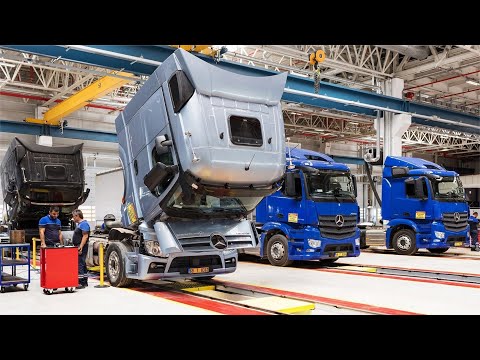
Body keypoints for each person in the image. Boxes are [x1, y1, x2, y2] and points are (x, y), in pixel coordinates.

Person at [71, 209, 90, 289]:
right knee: (82, 263)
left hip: (81, 246)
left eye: (73, 216)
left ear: (77, 216)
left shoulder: (84, 224)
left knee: (80, 264)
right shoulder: (80, 224)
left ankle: (81, 282)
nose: (73, 218)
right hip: (79, 245)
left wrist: (80, 247)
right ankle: (85, 281)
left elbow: (85, 236)